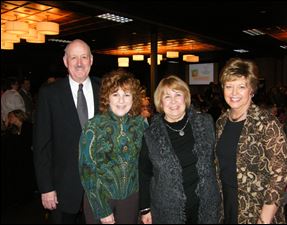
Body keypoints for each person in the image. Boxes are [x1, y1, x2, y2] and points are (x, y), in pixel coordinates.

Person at [33, 39, 100, 224]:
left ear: (91, 60)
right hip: (63, 189)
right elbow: (41, 145)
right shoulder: (49, 94)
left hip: (100, 190)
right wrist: (46, 188)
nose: (79, 63)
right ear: (65, 61)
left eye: (84, 57)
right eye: (74, 58)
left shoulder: (104, 90)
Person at [139, 75, 221, 224]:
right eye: (167, 97)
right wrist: (145, 209)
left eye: (178, 95)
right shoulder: (150, 135)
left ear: (186, 98)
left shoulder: (206, 123)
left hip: (206, 206)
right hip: (167, 210)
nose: (173, 101)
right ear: (160, 102)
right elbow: (144, 174)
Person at [215, 58, 287, 224]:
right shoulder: (221, 122)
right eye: (229, 86)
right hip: (226, 204)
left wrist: (265, 219)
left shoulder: (267, 122)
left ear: (252, 90)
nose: (234, 93)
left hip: (258, 209)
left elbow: (279, 175)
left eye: (241, 86)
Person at [79, 69, 147, 224]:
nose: (121, 100)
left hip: (131, 198)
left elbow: (146, 166)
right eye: (115, 94)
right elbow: (86, 170)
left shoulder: (141, 124)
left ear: (134, 98)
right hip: (99, 197)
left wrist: (146, 206)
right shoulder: (93, 125)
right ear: (107, 97)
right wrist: (102, 209)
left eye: (127, 95)